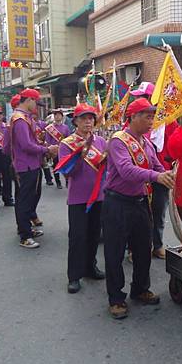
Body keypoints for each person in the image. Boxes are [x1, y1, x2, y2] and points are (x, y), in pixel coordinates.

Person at [101, 98, 175, 319]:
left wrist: (169, 174)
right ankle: (116, 298)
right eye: (147, 116)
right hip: (117, 203)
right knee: (114, 252)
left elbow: (156, 166)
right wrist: (157, 176)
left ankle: (140, 288)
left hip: (140, 203)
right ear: (133, 117)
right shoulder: (118, 141)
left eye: (153, 116)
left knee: (144, 249)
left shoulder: (146, 143)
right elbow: (126, 170)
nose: (151, 121)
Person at [59, 104, 106, 294]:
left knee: (94, 234)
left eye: (91, 118)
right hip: (78, 198)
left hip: (99, 196)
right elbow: (67, 172)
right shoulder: (67, 144)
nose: (88, 121)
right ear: (76, 121)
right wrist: (81, 155)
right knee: (77, 237)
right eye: (84, 118)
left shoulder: (101, 141)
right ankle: (74, 276)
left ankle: (90, 267)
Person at [131, 81, 178, 260]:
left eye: (143, 97)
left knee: (159, 212)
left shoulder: (169, 120)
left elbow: (175, 145)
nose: (139, 101)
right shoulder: (133, 122)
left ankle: (157, 245)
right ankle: (133, 247)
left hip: (161, 175)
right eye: (138, 98)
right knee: (137, 214)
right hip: (137, 175)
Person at [10, 88, 58, 249]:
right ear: (29, 100)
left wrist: (44, 146)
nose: (36, 107)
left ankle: (27, 228)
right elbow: (26, 145)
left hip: (31, 164)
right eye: (36, 103)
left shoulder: (25, 118)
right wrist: (47, 150)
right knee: (24, 200)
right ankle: (24, 235)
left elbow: (32, 141)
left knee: (30, 198)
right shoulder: (20, 120)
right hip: (26, 165)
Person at [45, 109, 70, 189]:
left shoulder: (65, 127)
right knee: (55, 167)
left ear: (62, 117)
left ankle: (67, 181)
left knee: (65, 166)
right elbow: (47, 140)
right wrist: (49, 150)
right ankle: (58, 182)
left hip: (63, 150)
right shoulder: (50, 128)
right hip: (54, 150)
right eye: (55, 115)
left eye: (59, 115)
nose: (57, 116)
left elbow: (69, 138)